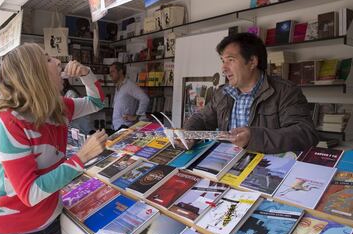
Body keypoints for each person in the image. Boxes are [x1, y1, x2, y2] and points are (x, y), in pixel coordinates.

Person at [0, 43, 107, 234]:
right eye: (48, 59)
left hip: (51, 220)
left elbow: (98, 102)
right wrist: (81, 157)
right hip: (14, 232)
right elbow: (30, 194)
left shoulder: (59, 108)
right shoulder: (9, 122)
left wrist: (86, 74)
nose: (58, 62)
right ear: (34, 74)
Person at [183, 33, 319, 154]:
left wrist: (254, 137)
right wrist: (187, 135)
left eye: (230, 60)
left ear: (252, 62)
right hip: (225, 166)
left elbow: (305, 134)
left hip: (265, 171)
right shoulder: (223, 93)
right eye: (223, 61)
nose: (223, 68)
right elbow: (202, 118)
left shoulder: (286, 91)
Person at [109, 62, 150, 131]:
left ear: (121, 71)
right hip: (116, 127)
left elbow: (145, 98)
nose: (110, 74)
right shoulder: (118, 86)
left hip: (125, 126)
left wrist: (137, 116)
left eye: (113, 71)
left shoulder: (129, 85)